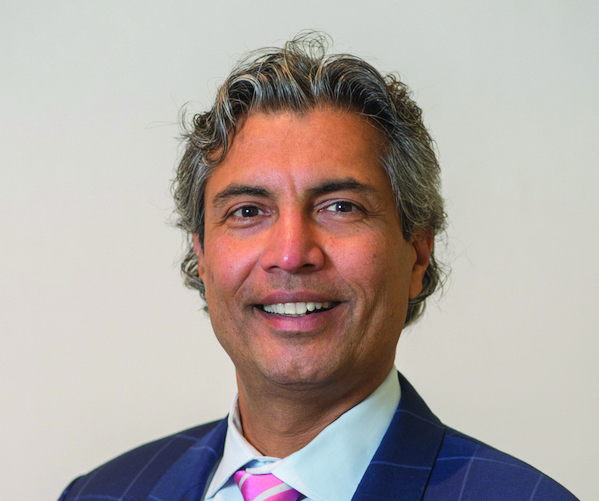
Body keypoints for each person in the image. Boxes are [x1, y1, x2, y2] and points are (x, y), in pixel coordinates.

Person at [59, 33, 578, 501]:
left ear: (417, 253)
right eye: (248, 212)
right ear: (202, 255)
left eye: (341, 207)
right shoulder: (99, 493)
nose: (291, 254)